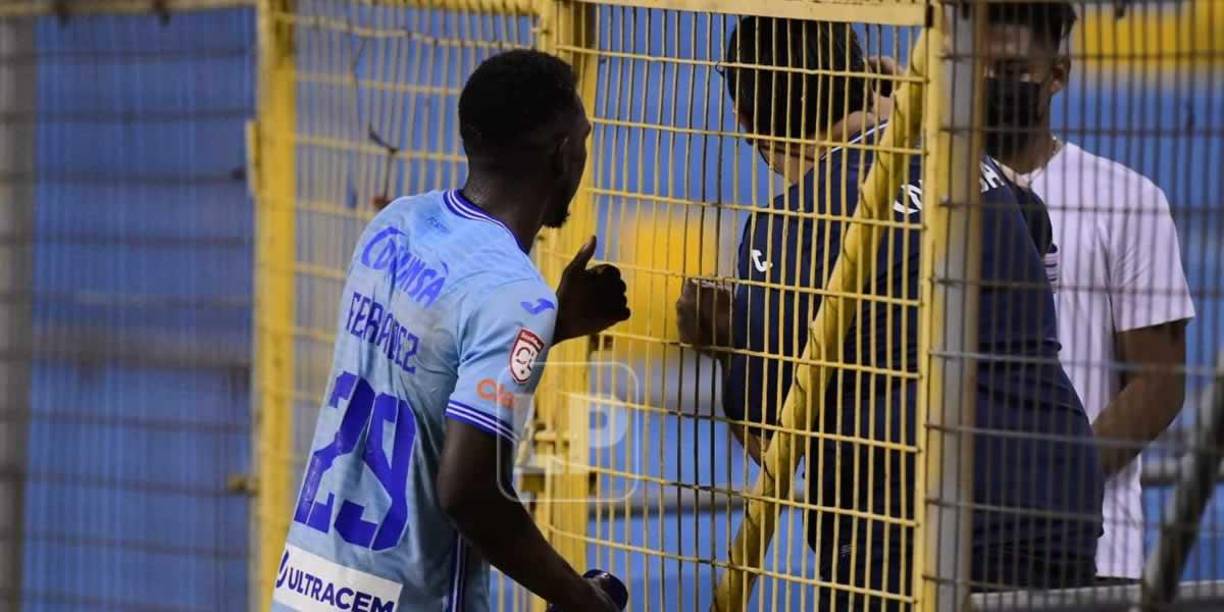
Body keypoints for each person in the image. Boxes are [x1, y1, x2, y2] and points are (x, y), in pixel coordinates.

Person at [676, 17, 1104, 607]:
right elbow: (1036, 233)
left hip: (899, 530)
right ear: (862, 79)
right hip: (1057, 499)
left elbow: (771, 443)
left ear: (747, 124)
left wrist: (727, 345)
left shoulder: (783, 228)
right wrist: (914, 124)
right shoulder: (967, 166)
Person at [272, 50, 630, 612]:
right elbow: (468, 493)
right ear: (563, 153)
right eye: (584, 137)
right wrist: (582, 599)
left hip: (308, 589)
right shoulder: (515, 295)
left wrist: (548, 326)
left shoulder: (395, 225)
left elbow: (424, 356)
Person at [983, 1, 1195, 583]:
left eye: (1010, 71)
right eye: (979, 68)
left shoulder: (1129, 199)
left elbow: (1159, 384)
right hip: (960, 547)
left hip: (1096, 549)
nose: (991, 84)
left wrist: (1056, 482)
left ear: (1057, 75)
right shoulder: (927, 197)